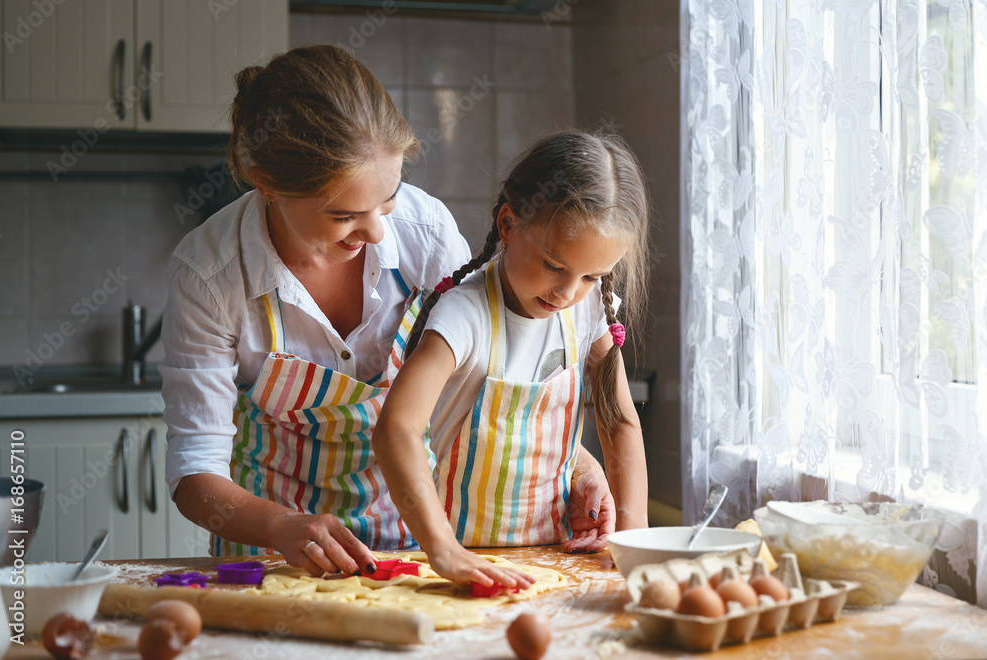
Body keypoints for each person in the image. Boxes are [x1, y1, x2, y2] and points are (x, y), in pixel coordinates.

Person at [160, 45, 615, 579]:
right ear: (268, 184)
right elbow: (195, 474)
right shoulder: (210, 274)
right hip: (276, 556)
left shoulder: (426, 234)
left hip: (421, 544)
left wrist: (577, 465)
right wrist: (280, 526)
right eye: (344, 214)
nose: (377, 233)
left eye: (389, 199)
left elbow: (484, 387)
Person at [372, 129, 651, 587]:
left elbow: (618, 420)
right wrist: (443, 550)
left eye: (591, 276)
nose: (567, 293)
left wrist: (632, 531)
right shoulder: (465, 314)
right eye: (555, 266)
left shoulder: (587, 313)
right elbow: (396, 428)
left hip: (554, 557)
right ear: (508, 224)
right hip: (454, 561)